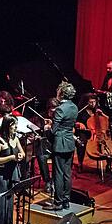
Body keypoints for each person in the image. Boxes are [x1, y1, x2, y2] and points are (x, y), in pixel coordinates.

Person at [44, 82, 78, 210]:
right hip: (69, 143)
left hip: (60, 144)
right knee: (67, 173)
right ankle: (66, 200)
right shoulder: (74, 107)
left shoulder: (60, 109)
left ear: (61, 93)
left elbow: (53, 131)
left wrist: (48, 128)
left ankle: (57, 202)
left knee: (58, 173)